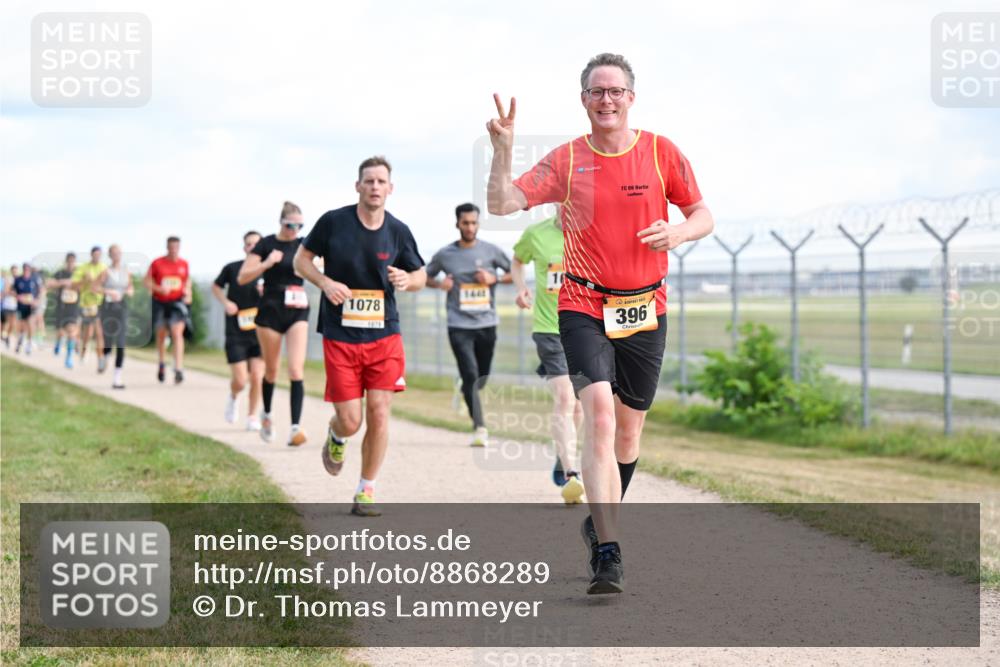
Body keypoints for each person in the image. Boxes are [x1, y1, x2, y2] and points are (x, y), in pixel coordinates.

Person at [486, 53, 715, 594]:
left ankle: (599, 519)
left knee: (630, 432)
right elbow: (501, 203)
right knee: (600, 417)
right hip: (584, 305)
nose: (606, 100)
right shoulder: (567, 160)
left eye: (615, 91)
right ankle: (608, 552)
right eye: (596, 92)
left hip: (645, 308)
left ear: (631, 98)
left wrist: (680, 234)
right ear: (583, 100)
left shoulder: (662, 153)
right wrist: (501, 152)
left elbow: (704, 213)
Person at [294, 155, 426, 517]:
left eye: (381, 182)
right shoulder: (334, 222)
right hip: (341, 335)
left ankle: (366, 488)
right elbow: (300, 261)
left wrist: (407, 280)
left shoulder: (398, 230)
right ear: (358, 186)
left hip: (385, 336)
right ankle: (337, 435)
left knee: (380, 413)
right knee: (352, 420)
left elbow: (420, 276)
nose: (374, 187)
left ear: (390, 188)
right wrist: (324, 281)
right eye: (368, 181)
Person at [512, 208, 585, 505]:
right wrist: (521, 288)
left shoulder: (590, 232)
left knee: (579, 406)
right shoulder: (537, 234)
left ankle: (562, 455)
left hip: (584, 327)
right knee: (565, 399)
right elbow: (517, 261)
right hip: (549, 329)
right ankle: (571, 473)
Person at [425, 203, 512, 447]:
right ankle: (480, 428)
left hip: (487, 323)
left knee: (481, 377)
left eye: (474, 223)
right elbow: (426, 276)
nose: (470, 227)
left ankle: (463, 387)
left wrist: (492, 278)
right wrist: (440, 285)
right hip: (458, 324)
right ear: (457, 224)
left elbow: (513, 273)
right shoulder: (445, 255)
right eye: (466, 223)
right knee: (471, 374)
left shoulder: (491, 251)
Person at [238, 203, 311, 446]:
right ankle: (267, 415)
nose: (294, 230)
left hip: (297, 309)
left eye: (299, 225)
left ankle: (295, 428)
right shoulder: (266, 244)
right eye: (290, 225)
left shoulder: (304, 245)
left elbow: (321, 266)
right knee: (271, 370)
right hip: (270, 311)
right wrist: (266, 263)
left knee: (295, 369)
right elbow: (243, 277)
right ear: (281, 223)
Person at [214, 231, 265, 431]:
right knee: (241, 379)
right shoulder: (232, 268)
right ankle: (234, 396)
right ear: (245, 248)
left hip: (260, 331)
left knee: (257, 376)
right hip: (236, 330)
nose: (252, 247)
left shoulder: (267, 271)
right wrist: (226, 302)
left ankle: (252, 416)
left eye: (256, 243)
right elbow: (216, 287)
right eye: (249, 244)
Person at [144, 236, 192, 384]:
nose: (173, 250)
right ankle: (162, 362)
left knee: (178, 333)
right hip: (160, 302)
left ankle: (178, 368)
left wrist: (188, 293)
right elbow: (146, 281)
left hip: (177, 303)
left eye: (176, 247)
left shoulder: (184, 264)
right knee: (161, 335)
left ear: (179, 248)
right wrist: (159, 288)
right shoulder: (157, 263)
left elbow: (187, 281)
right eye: (171, 247)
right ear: (167, 247)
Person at [100, 244, 134, 389]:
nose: (116, 256)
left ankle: (117, 378)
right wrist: (109, 292)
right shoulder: (106, 272)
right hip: (108, 308)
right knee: (108, 338)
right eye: (114, 253)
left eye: (118, 253)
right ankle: (105, 355)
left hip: (121, 307)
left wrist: (130, 290)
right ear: (110, 256)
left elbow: (130, 287)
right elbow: (95, 287)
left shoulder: (126, 271)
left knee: (120, 342)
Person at [74, 246, 107, 370]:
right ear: (91, 255)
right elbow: (74, 285)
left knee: (99, 333)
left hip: (100, 303)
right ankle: (84, 351)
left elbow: (107, 285)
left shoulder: (104, 268)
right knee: (88, 332)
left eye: (99, 254)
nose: (97, 257)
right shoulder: (83, 268)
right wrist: (84, 280)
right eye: (95, 254)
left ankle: (100, 358)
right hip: (86, 304)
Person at [50, 252, 81, 368]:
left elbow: (85, 285)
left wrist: (73, 284)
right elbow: (50, 283)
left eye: (73, 261)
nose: (71, 263)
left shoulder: (78, 274)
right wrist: (62, 283)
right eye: (69, 260)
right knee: (60, 332)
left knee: (72, 331)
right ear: (66, 261)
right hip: (61, 306)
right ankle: (58, 342)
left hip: (73, 307)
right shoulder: (60, 273)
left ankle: (69, 357)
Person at [13, 263, 39, 354]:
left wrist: (36, 300)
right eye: (25, 269)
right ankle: (20, 340)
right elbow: (12, 291)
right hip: (21, 306)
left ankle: (29, 344)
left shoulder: (34, 280)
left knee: (31, 323)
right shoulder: (18, 280)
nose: (26, 271)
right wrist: (18, 296)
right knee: (22, 326)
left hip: (31, 307)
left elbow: (40, 291)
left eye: (28, 269)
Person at [1, 267, 18, 347]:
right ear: (11, 271)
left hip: (15, 306)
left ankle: (7, 336)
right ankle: (3, 335)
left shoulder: (18, 280)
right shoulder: (8, 279)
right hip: (6, 305)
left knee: (12, 324)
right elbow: (4, 291)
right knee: (5, 322)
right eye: (14, 271)